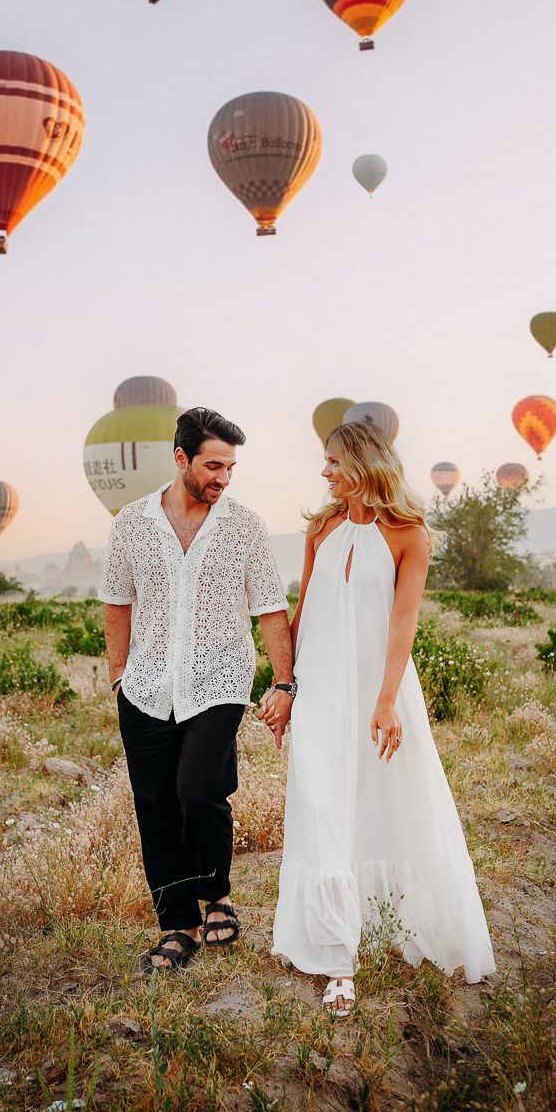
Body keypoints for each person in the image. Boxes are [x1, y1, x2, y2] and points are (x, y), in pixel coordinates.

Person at [260, 421, 496, 1016]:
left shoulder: (410, 535)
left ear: (364, 462)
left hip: (379, 690)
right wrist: (284, 686)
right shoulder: (321, 528)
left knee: (389, 802)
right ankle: (338, 958)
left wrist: (387, 700)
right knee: (321, 805)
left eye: (334, 462)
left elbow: (403, 623)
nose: (324, 473)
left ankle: (390, 925)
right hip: (318, 689)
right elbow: (304, 609)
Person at [99, 407, 293, 971]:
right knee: (154, 804)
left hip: (219, 680)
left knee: (198, 790)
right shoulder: (132, 522)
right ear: (181, 458)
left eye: (230, 467)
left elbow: (271, 609)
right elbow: (117, 600)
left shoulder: (244, 526)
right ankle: (177, 924)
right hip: (146, 685)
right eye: (213, 465)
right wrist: (119, 676)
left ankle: (217, 894)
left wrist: (284, 682)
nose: (224, 478)